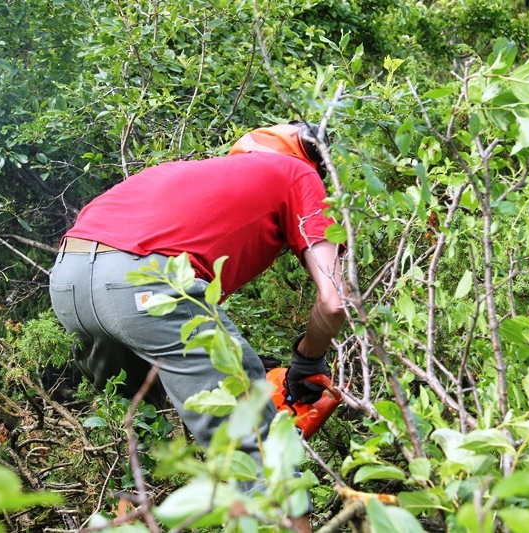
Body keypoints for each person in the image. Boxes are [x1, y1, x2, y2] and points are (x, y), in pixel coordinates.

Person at [49, 122, 345, 531]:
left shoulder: (182, 172)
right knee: (255, 448)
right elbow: (334, 302)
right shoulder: (297, 173)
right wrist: (304, 359)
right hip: (145, 285)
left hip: (67, 282)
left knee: (138, 442)